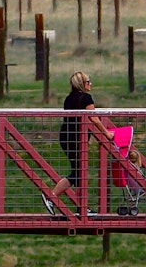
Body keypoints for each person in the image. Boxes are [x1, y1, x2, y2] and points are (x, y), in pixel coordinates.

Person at [43, 71, 100, 216]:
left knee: (79, 171)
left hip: (66, 137)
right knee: (78, 172)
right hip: (76, 139)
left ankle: (82, 207)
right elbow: (93, 118)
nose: (90, 84)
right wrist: (106, 133)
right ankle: (51, 196)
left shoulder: (69, 98)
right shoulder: (86, 98)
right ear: (82, 84)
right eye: (88, 81)